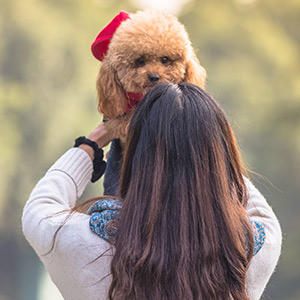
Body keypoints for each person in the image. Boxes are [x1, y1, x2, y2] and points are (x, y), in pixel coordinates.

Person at [22, 83, 282, 300]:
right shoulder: (250, 248)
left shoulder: (86, 242)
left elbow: (40, 209)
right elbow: (249, 202)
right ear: (220, 159)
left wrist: (92, 143)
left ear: (136, 156)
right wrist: (207, 149)